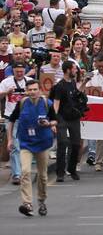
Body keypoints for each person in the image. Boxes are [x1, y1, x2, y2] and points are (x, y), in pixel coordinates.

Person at [9, 80, 55, 217]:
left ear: (39, 90)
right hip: (26, 143)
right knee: (25, 171)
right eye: (30, 90)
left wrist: (49, 123)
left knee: (43, 176)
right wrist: (10, 139)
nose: (32, 92)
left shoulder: (47, 104)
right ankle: (27, 203)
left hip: (43, 143)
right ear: (26, 91)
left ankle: (41, 201)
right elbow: (11, 120)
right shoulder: (22, 103)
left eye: (35, 89)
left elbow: (55, 120)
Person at [49, 60, 85, 182]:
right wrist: (53, 120)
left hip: (74, 117)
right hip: (62, 118)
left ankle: (72, 169)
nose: (76, 71)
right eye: (74, 69)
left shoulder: (73, 83)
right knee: (62, 143)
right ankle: (60, 172)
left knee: (76, 144)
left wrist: (85, 82)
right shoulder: (60, 86)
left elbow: (76, 94)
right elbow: (56, 104)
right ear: (68, 70)